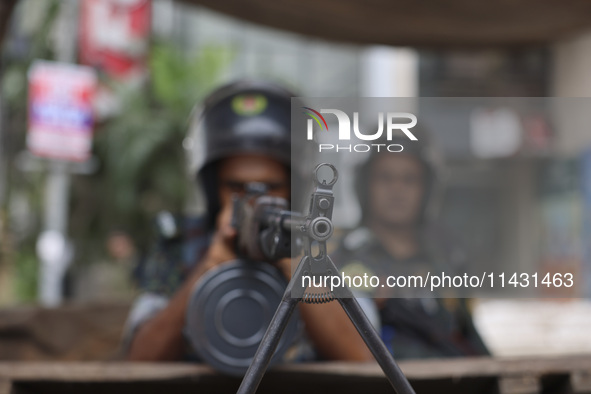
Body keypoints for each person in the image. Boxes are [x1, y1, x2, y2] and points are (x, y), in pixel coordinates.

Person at [124, 80, 372, 362]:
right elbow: (137, 360)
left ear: (295, 188)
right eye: (236, 188)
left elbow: (364, 359)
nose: (254, 202)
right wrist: (207, 269)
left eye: (270, 187)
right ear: (212, 188)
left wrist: (295, 261)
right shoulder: (180, 246)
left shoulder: (326, 246)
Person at [332, 136, 490, 359]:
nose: (397, 189)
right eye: (385, 178)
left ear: (426, 189)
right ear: (364, 185)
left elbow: (468, 335)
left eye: (409, 179)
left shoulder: (449, 260)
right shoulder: (339, 260)